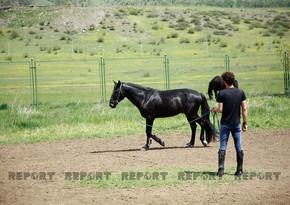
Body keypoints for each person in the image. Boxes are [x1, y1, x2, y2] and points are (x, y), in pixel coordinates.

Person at [212, 72, 248, 177]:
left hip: (225, 124)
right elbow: (244, 109)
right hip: (236, 124)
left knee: (223, 145)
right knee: (239, 146)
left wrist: (214, 109)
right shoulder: (241, 92)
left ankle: (221, 170)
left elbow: (220, 109)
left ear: (224, 82)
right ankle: (240, 170)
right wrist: (245, 122)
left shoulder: (221, 93)